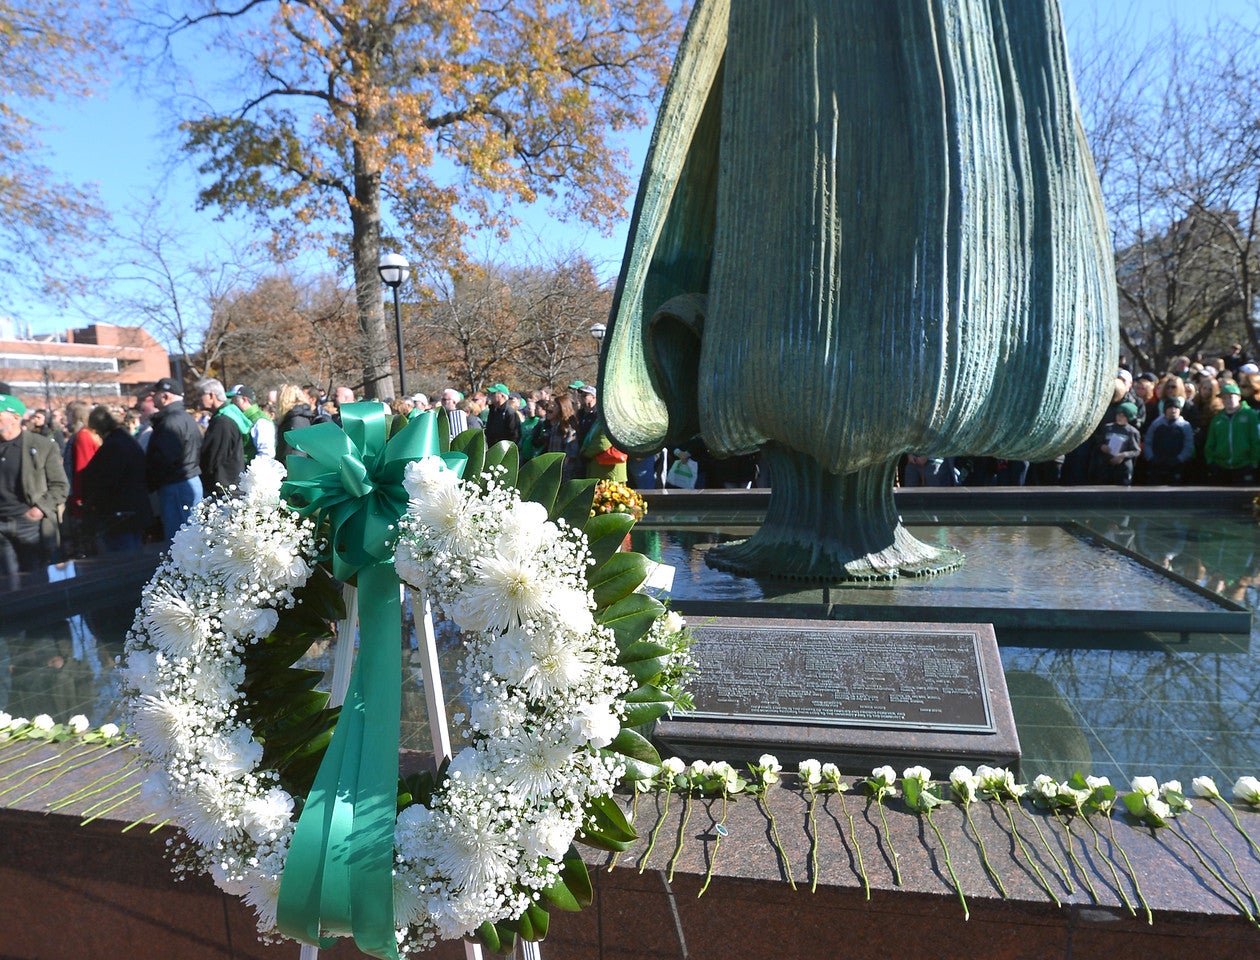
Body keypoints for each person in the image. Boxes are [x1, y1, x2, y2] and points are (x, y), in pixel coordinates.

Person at [0, 393, 68, 589]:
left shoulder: (41, 445)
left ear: (15, 417)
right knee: (8, 582)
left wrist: (39, 509)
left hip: (28, 523)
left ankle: (43, 617)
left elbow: (60, 485)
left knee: (34, 579)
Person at [79, 405, 152, 552]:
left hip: (120, 514)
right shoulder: (126, 440)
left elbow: (106, 481)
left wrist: (92, 503)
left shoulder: (114, 445)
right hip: (133, 509)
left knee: (124, 560)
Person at [145, 377, 203, 541]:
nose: (152, 397)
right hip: (186, 480)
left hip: (177, 484)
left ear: (165, 397)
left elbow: (165, 459)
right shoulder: (183, 417)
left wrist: (151, 480)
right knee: (190, 537)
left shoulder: (171, 421)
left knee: (181, 541)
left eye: (155, 394)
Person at [197, 378, 245, 498]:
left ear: (211, 395)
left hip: (225, 488)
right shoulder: (228, 414)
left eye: (200, 395)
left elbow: (213, 457)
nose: (197, 399)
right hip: (228, 485)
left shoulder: (223, 421)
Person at [1204, 382, 1260, 485]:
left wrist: (1254, 462)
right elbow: (1211, 442)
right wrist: (1210, 461)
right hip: (1221, 466)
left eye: (1230, 397)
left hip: (1244, 465)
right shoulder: (1217, 419)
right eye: (1224, 398)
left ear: (1239, 397)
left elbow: (1255, 439)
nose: (1227, 400)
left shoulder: (1250, 415)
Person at [1142, 397, 1194, 485]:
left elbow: (1188, 445)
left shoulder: (1185, 426)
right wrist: (1151, 457)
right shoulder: (1156, 424)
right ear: (1165, 409)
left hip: (1176, 464)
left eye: (1176, 408)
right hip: (1157, 464)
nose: (1173, 410)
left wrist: (1180, 459)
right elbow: (1148, 441)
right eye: (1170, 407)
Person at [1089, 401, 1142, 485]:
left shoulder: (1132, 432)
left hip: (1123, 467)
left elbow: (1136, 451)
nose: (1119, 418)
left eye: (1123, 416)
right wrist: (1102, 447)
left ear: (1128, 417)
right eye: (1118, 415)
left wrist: (1123, 455)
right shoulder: (1107, 428)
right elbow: (1098, 443)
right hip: (1106, 465)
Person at [227, 384, 276, 461]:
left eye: (233, 400)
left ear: (244, 400)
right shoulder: (242, 417)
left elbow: (267, 453)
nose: (231, 403)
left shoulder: (261, 421)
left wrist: (253, 471)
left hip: (251, 471)